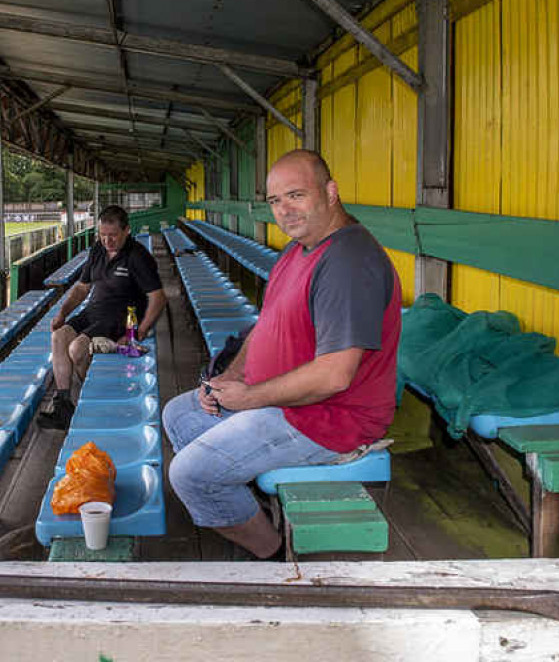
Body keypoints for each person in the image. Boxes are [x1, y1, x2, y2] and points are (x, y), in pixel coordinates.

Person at [162, 150, 402, 558]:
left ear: (330, 192)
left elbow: (333, 377)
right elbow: (265, 325)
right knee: (179, 415)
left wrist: (250, 398)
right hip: (283, 400)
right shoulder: (298, 250)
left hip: (331, 418)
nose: (285, 211)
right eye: (276, 201)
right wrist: (234, 377)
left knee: (189, 475)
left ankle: (273, 554)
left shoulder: (349, 261)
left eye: (296, 195)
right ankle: (250, 507)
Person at [39, 205, 167, 430]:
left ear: (127, 230)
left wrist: (139, 332)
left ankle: (97, 400)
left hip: (121, 318)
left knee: (77, 349)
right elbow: (81, 288)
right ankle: (64, 407)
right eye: (103, 235)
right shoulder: (98, 249)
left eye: (113, 236)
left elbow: (158, 298)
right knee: (59, 337)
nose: (107, 241)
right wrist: (62, 313)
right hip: (94, 312)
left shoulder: (137, 256)